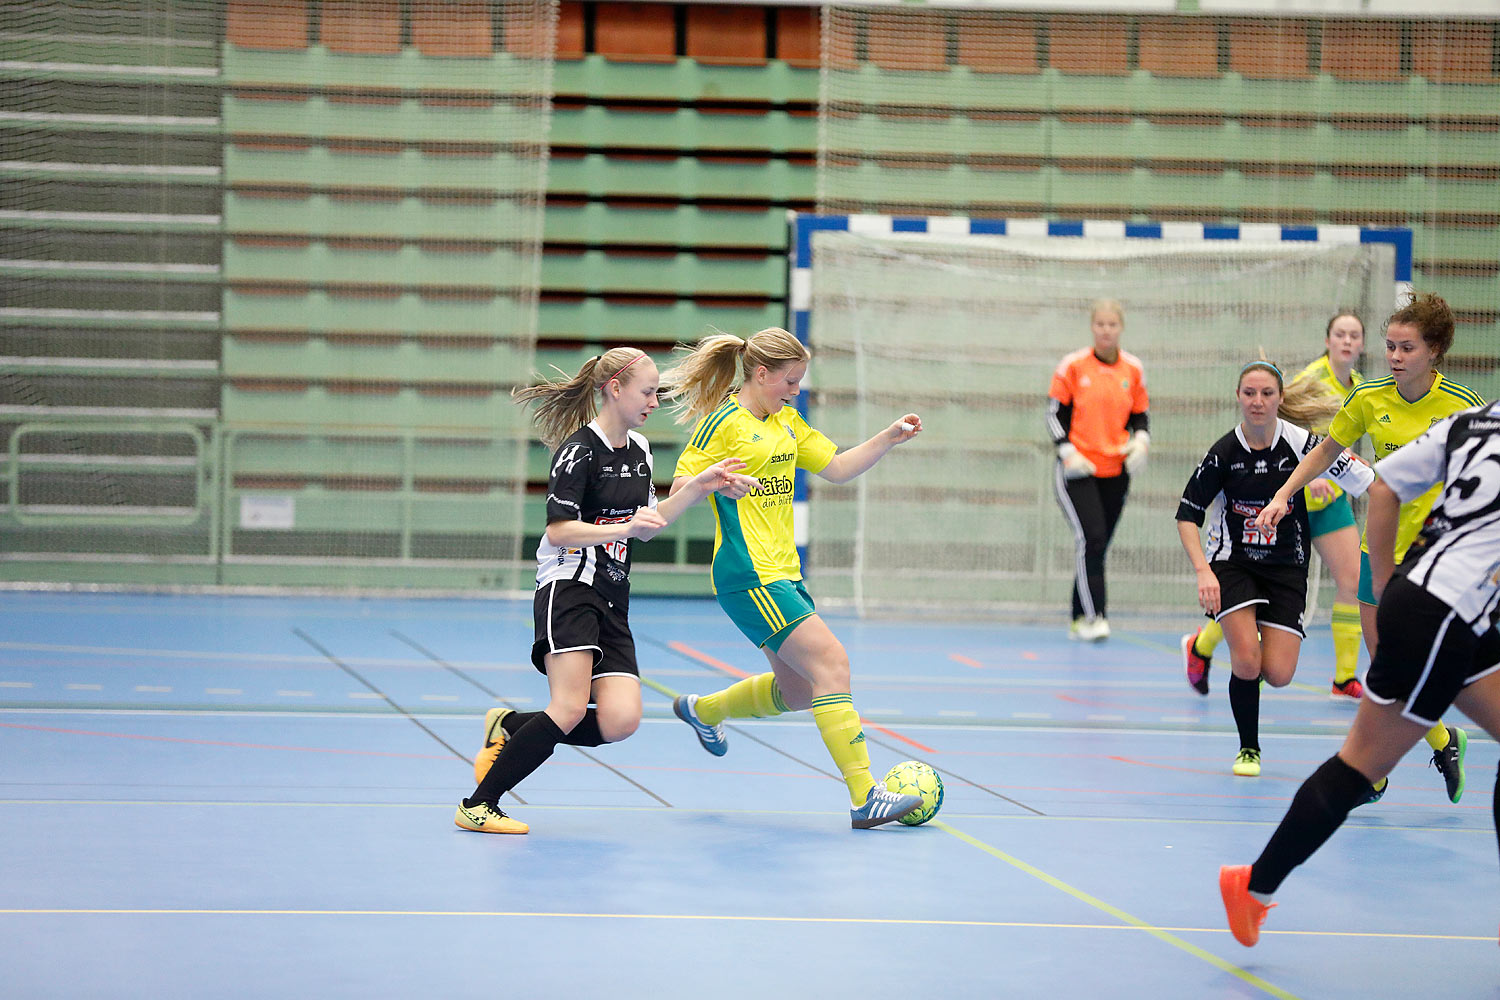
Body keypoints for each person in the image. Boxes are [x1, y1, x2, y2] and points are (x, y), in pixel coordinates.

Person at [1220, 399, 1500, 947]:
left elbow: (1384, 484)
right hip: (1446, 614)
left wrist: (1389, 582)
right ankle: (1253, 887)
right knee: (1361, 765)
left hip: (1433, 601)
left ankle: (1252, 885)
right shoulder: (1394, 405)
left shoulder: (1474, 418)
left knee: (1361, 763)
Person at [455, 347, 758, 834]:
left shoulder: (639, 451)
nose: (655, 401)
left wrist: (700, 487)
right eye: (647, 391)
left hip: (614, 595)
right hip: (570, 585)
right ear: (614, 389)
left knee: (620, 720)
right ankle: (479, 804)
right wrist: (619, 530)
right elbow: (559, 531)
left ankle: (511, 726)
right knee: (571, 706)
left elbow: (649, 526)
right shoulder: (578, 452)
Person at [656, 326, 927, 829]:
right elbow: (678, 488)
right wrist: (718, 481)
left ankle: (704, 710)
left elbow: (840, 467)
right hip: (749, 572)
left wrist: (888, 438)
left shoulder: (786, 422)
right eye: (790, 381)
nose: (795, 391)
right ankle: (866, 796)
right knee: (833, 663)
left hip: (782, 573)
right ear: (760, 374)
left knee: (801, 692)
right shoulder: (722, 423)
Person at [1254, 294, 1483, 804]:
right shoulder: (1369, 399)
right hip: (1376, 551)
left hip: (1435, 557)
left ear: (1435, 350)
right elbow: (1325, 453)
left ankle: (1373, 773)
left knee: (1420, 666)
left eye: (1407, 347)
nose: (1395, 356)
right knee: (1383, 668)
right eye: (1390, 347)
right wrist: (1282, 494)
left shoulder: (1463, 408)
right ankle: (1442, 742)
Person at [1176, 361, 1373, 777]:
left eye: (1267, 393)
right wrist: (1202, 571)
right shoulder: (1223, 453)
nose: (1258, 401)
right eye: (1249, 393)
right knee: (1246, 661)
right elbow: (1187, 514)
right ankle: (1249, 748)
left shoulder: (1304, 444)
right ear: (1238, 398)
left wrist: (1401, 486)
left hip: (1286, 566)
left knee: (1279, 673)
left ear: (1281, 398)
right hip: (1234, 562)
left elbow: (1361, 477)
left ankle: (1217, 646)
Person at [1182, 311, 1368, 699]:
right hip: (1288, 498)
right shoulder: (1309, 380)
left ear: (1363, 344)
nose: (1347, 342)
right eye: (1340, 334)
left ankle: (1344, 676)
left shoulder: (1363, 388)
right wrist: (1310, 479)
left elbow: (1338, 448)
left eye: (1355, 335)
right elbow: (1289, 438)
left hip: (1330, 499)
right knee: (1250, 593)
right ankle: (1203, 644)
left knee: (1352, 580)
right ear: (1328, 340)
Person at [1047, 299, 1150, 641]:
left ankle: (1078, 617)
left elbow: (1139, 413)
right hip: (1078, 470)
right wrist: (1067, 450)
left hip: (1115, 471)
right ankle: (1096, 617)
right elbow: (1054, 414)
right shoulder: (1073, 365)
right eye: (1100, 324)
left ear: (1121, 328)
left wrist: (1141, 440)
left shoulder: (1132, 368)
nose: (1106, 330)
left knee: (1099, 544)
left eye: (1112, 324)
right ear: (1092, 328)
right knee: (1090, 537)